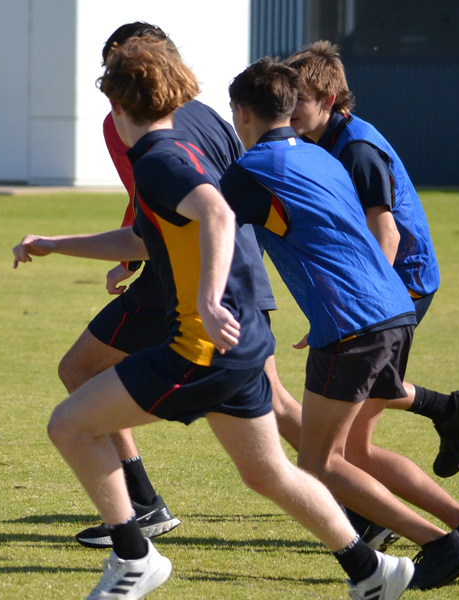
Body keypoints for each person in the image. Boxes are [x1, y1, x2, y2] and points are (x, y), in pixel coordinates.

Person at [14, 35, 414, 600]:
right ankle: (372, 569)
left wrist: (204, 300)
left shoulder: (158, 158)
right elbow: (147, 238)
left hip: (206, 344)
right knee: (267, 472)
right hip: (243, 334)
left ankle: (135, 556)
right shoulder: (179, 145)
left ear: (118, 102)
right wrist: (57, 243)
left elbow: (216, 212)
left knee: (70, 423)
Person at [221, 56, 459, 590]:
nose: (297, 108)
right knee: (354, 451)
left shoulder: (336, 152)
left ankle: (442, 544)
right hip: (388, 311)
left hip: (368, 312)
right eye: (291, 99)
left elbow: (383, 232)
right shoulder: (321, 155)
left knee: (321, 463)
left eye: (306, 99)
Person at [68, 21, 313, 551]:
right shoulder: (208, 114)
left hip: (183, 276)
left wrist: (143, 258)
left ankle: (141, 507)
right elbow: (220, 191)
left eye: (116, 70)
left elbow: (161, 197)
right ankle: (357, 511)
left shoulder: (128, 119)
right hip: (242, 271)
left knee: (79, 371)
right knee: (276, 406)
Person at [282, 40, 459, 479]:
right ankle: (452, 411)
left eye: (298, 99)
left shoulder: (355, 149)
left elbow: (386, 234)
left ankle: (430, 521)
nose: (288, 108)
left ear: (329, 100)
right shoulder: (326, 140)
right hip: (387, 290)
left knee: (355, 443)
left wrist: (351, 310)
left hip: (401, 284)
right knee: (360, 420)